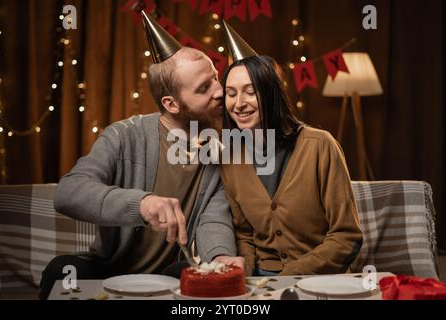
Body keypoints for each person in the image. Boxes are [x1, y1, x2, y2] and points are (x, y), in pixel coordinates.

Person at [39, 13, 243, 300]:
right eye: (203, 88)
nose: (221, 92)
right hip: (108, 267)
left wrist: (220, 256)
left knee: (193, 276)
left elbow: (214, 216)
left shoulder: (220, 147)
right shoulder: (123, 135)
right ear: (171, 104)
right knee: (61, 269)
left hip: (168, 271)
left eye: (215, 79)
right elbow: (68, 193)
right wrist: (143, 204)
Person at [219, 21, 363, 277]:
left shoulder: (320, 146)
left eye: (250, 92)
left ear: (272, 95)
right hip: (260, 281)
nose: (238, 103)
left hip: (321, 279)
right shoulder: (229, 157)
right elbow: (244, 235)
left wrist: (289, 278)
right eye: (230, 93)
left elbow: (346, 236)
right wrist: (244, 282)